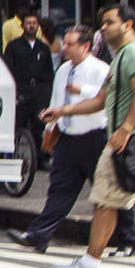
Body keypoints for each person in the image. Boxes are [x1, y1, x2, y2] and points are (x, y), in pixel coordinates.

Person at [49, 4, 134, 268]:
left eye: (109, 22)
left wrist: (125, 129)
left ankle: (90, 262)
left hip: (124, 142)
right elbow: (100, 99)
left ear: (128, 25)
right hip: (121, 139)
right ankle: (90, 260)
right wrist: (63, 111)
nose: (103, 28)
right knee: (105, 200)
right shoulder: (121, 56)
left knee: (105, 200)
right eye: (103, 23)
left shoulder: (131, 54)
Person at [11, 21, 111, 253]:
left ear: (86, 46)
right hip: (68, 138)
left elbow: (104, 99)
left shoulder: (100, 69)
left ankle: (128, 236)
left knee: (106, 192)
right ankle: (39, 235)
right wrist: (50, 128)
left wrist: (81, 90)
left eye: (70, 43)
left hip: (94, 138)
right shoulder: (64, 70)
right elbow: (57, 100)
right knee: (59, 189)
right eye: (64, 42)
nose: (64, 47)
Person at [7, 12, 55, 150]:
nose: (32, 26)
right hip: (21, 90)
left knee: (40, 124)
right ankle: (15, 152)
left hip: (39, 92)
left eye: (34, 23)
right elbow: (9, 68)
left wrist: (47, 91)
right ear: (23, 26)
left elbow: (48, 72)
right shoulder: (13, 46)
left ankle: (40, 157)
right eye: (29, 23)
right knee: (18, 124)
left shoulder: (43, 48)